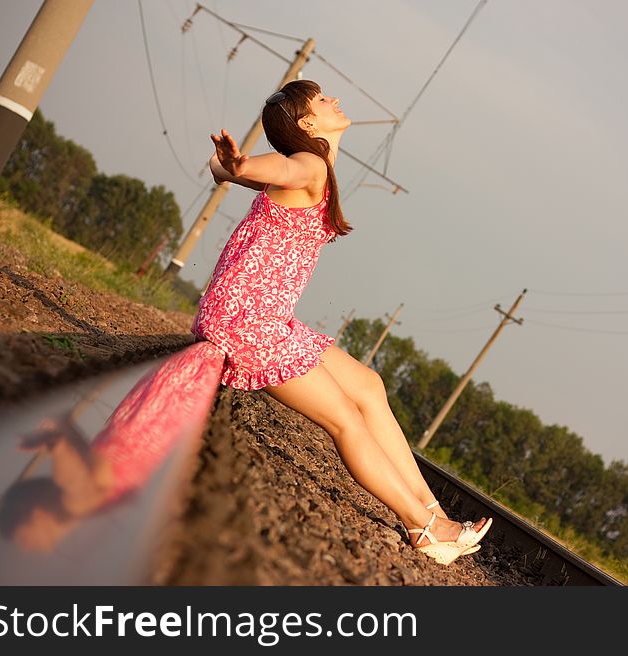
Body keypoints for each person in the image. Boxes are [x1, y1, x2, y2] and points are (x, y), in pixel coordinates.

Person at [192, 79, 491, 565]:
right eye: (322, 100)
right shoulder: (308, 164)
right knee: (346, 421)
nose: (335, 101)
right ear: (308, 124)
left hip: (264, 315)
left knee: (368, 386)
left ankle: (431, 508)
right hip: (248, 320)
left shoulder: (317, 165)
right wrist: (242, 165)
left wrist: (229, 166)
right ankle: (425, 527)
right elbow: (280, 165)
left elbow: (227, 168)